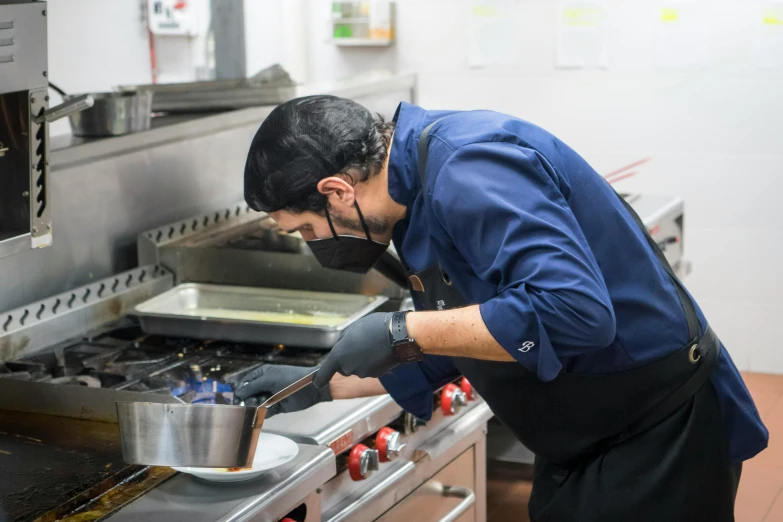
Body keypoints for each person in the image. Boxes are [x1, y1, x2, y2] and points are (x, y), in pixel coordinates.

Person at [238, 95, 768, 521]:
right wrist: (321, 384)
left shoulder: (468, 166)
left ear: (337, 190)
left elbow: (574, 312)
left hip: (657, 435)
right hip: (585, 437)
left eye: (306, 228)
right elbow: (467, 328)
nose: (314, 241)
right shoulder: (414, 191)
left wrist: (403, 329)